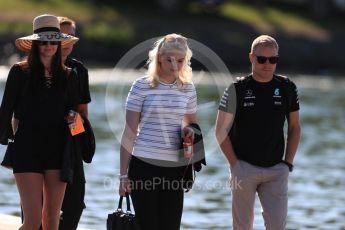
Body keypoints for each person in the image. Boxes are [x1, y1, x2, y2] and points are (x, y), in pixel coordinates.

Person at [0, 14, 79, 230]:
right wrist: (10, 141)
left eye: (53, 41)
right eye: (43, 41)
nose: (48, 46)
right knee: (32, 221)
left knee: (52, 220)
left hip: (58, 149)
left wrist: (76, 126)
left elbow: (75, 115)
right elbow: (5, 110)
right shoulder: (19, 71)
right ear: (35, 44)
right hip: (27, 148)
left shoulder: (70, 75)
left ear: (59, 43)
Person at [215, 35, 301, 230]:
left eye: (273, 60)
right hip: (244, 167)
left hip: (277, 170)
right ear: (251, 57)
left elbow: (295, 127)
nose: (267, 64)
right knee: (243, 226)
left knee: (277, 226)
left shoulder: (287, 87)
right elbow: (220, 130)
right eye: (261, 59)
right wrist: (235, 165)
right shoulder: (236, 88)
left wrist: (287, 163)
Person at [119, 33, 197, 230]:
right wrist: (122, 176)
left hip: (174, 169)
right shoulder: (141, 86)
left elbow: (192, 127)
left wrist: (189, 136)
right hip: (143, 165)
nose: (174, 64)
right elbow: (129, 132)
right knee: (147, 226)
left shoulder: (188, 89)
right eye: (169, 59)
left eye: (180, 60)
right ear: (159, 58)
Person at [57, 16, 92, 230]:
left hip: (71, 143)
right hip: (41, 143)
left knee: (75, 202)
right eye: (62, 36)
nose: (67, 41)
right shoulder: (31, 68)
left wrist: (80, 141)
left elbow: (83, 112)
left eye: (71, 36)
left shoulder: (79, 70)